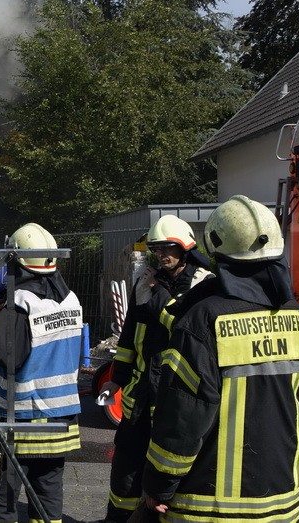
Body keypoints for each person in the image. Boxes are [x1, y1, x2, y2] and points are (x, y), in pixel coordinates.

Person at [142, 195, 299, 521]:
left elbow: (182, 420)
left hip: (206, 506)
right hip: (282, 503)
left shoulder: (201, 323)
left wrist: (158, 484)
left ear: (216, 249)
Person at [99, 216, 212, 522]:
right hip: (139, 395)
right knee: (126, 467)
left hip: (175, 396)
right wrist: (115, 380)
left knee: (167, 468)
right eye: (159, 248)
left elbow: (183, 327)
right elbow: (130, 337)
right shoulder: (147, 281)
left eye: (170, 248)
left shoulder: (202, 283)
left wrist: (155, 296)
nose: (164, 255)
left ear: (185, 249)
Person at [0, 222, 82, 523]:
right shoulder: (70, 299)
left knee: (0, 498)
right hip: (59, 424)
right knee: (47, 501)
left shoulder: (20, 303)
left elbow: (6, 356)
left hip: (20, 424)